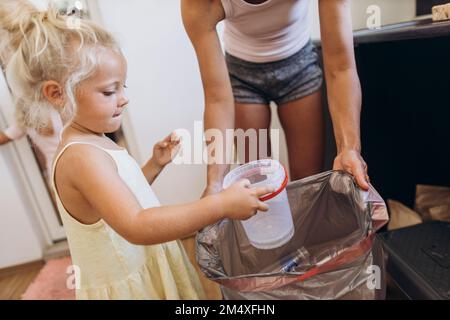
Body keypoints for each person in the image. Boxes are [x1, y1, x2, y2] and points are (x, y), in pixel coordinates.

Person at [1, 0, 273, 300]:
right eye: (109, 91)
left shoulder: (94, 139)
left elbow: (117, 198)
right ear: (56, 93)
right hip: (130, 286)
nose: (123, 99)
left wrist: (153, 166)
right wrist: (220, 205)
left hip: (143, 264)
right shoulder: (80, 156)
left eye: (123, 88)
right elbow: (135, 224)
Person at [181, 0, 370, 198]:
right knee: (257, 185)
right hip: (242, 75)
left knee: (309, 184)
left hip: (299, 66)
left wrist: (349, 149)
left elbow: (341, 68)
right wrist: (215, 183)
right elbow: (217, 99)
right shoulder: (198, 4)